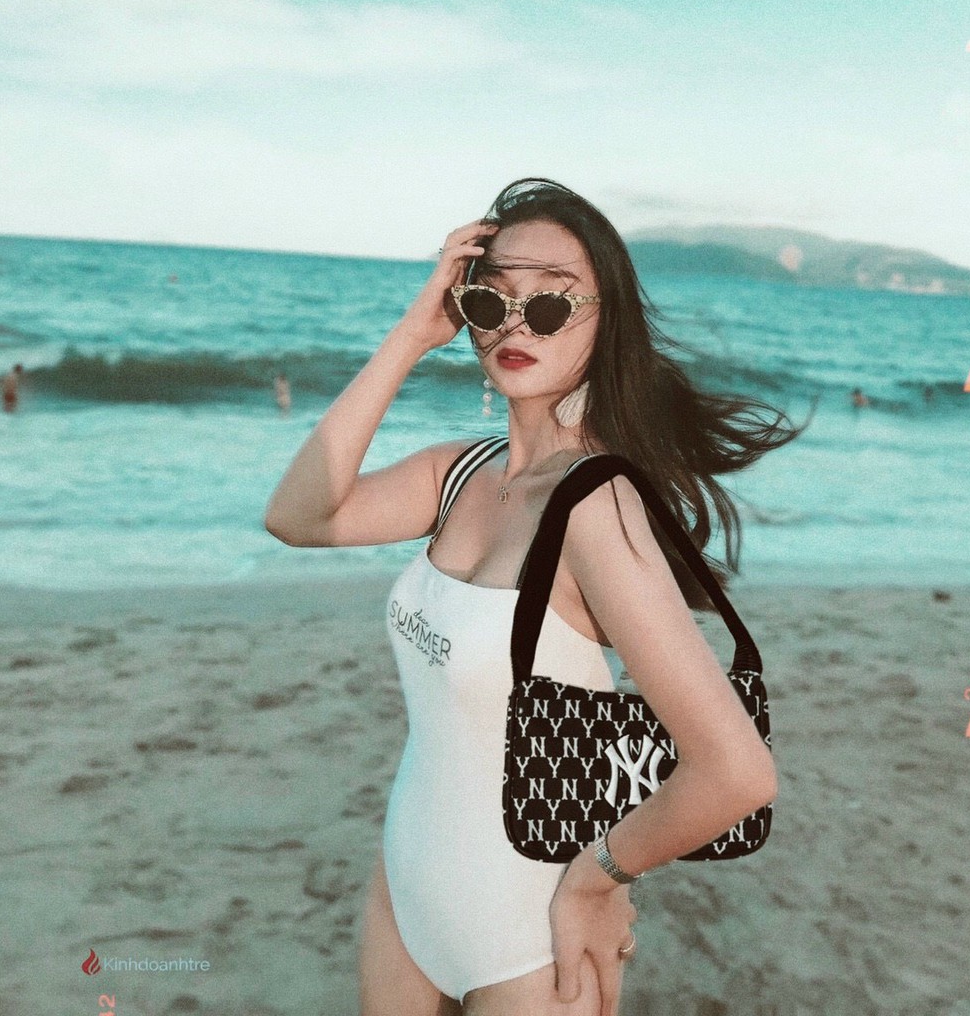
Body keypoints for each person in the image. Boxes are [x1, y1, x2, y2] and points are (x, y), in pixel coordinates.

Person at [265, 178, 799, 1016]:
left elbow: (737, 772)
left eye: (550, 303)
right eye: (491, 299)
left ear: (605, 321)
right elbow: (298, 516)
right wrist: (413, 334)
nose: (515, 324)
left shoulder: (593, 507)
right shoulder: (460, 473)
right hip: (404, 890)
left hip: (529, 935)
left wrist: (599, 879)